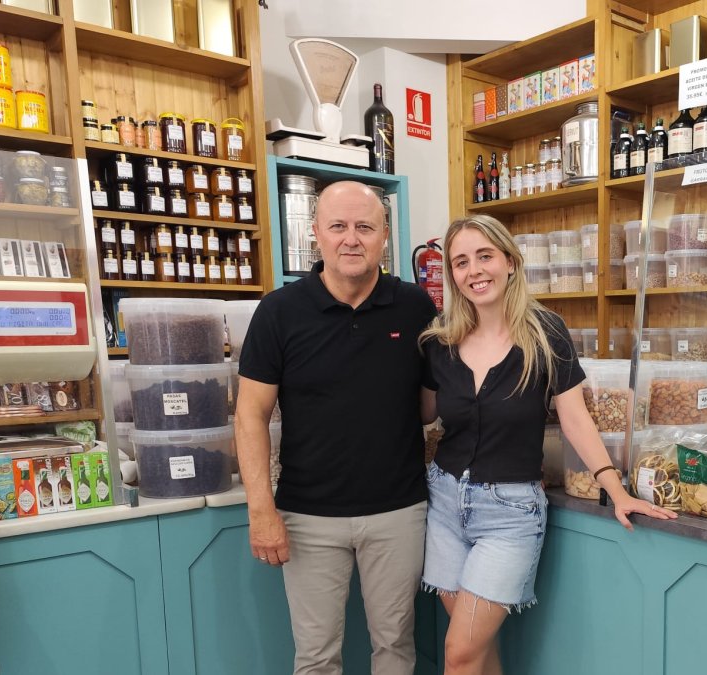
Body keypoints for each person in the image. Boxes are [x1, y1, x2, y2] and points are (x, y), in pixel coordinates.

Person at [418, 215, 675, 675]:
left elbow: (575, 419)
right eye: (460, 262)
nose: (474, 270)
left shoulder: (545, 332)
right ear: (452, 276)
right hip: (443, 502)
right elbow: (423, 414)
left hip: (509, 512)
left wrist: (615, 490)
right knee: (474, 653)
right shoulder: (442, 339)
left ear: (510, 262)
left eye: (484, 256)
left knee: (458, 654)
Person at [235, 181, 437, 675]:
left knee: (395, 646)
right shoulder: (279, 312)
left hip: (398, 511)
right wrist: (262, 511)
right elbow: (250, 415)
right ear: (316, 236)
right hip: (308, 517)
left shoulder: (415, 308)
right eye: (339, 227)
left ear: (384, 236)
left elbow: (429, 408)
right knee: (317, 657)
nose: (352, 239)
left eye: (365, 227)